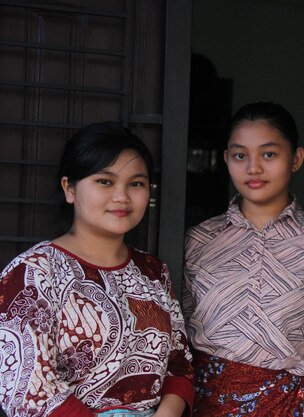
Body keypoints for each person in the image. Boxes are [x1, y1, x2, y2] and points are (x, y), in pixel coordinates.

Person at [0, 122, 195, 417]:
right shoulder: (33, 273)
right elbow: (27, 389)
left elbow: (180, 362)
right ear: (69, 188)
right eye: (105, 181)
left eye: (136, 183)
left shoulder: (153, 272)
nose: (122, 196)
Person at [183, 101, 304, 417]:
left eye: (269, 154)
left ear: (296, 159)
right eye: (240, 155)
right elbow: (181, 345)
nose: (253, 168)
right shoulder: (199, 241)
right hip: (208, 406)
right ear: (226, 160)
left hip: (288, 408)